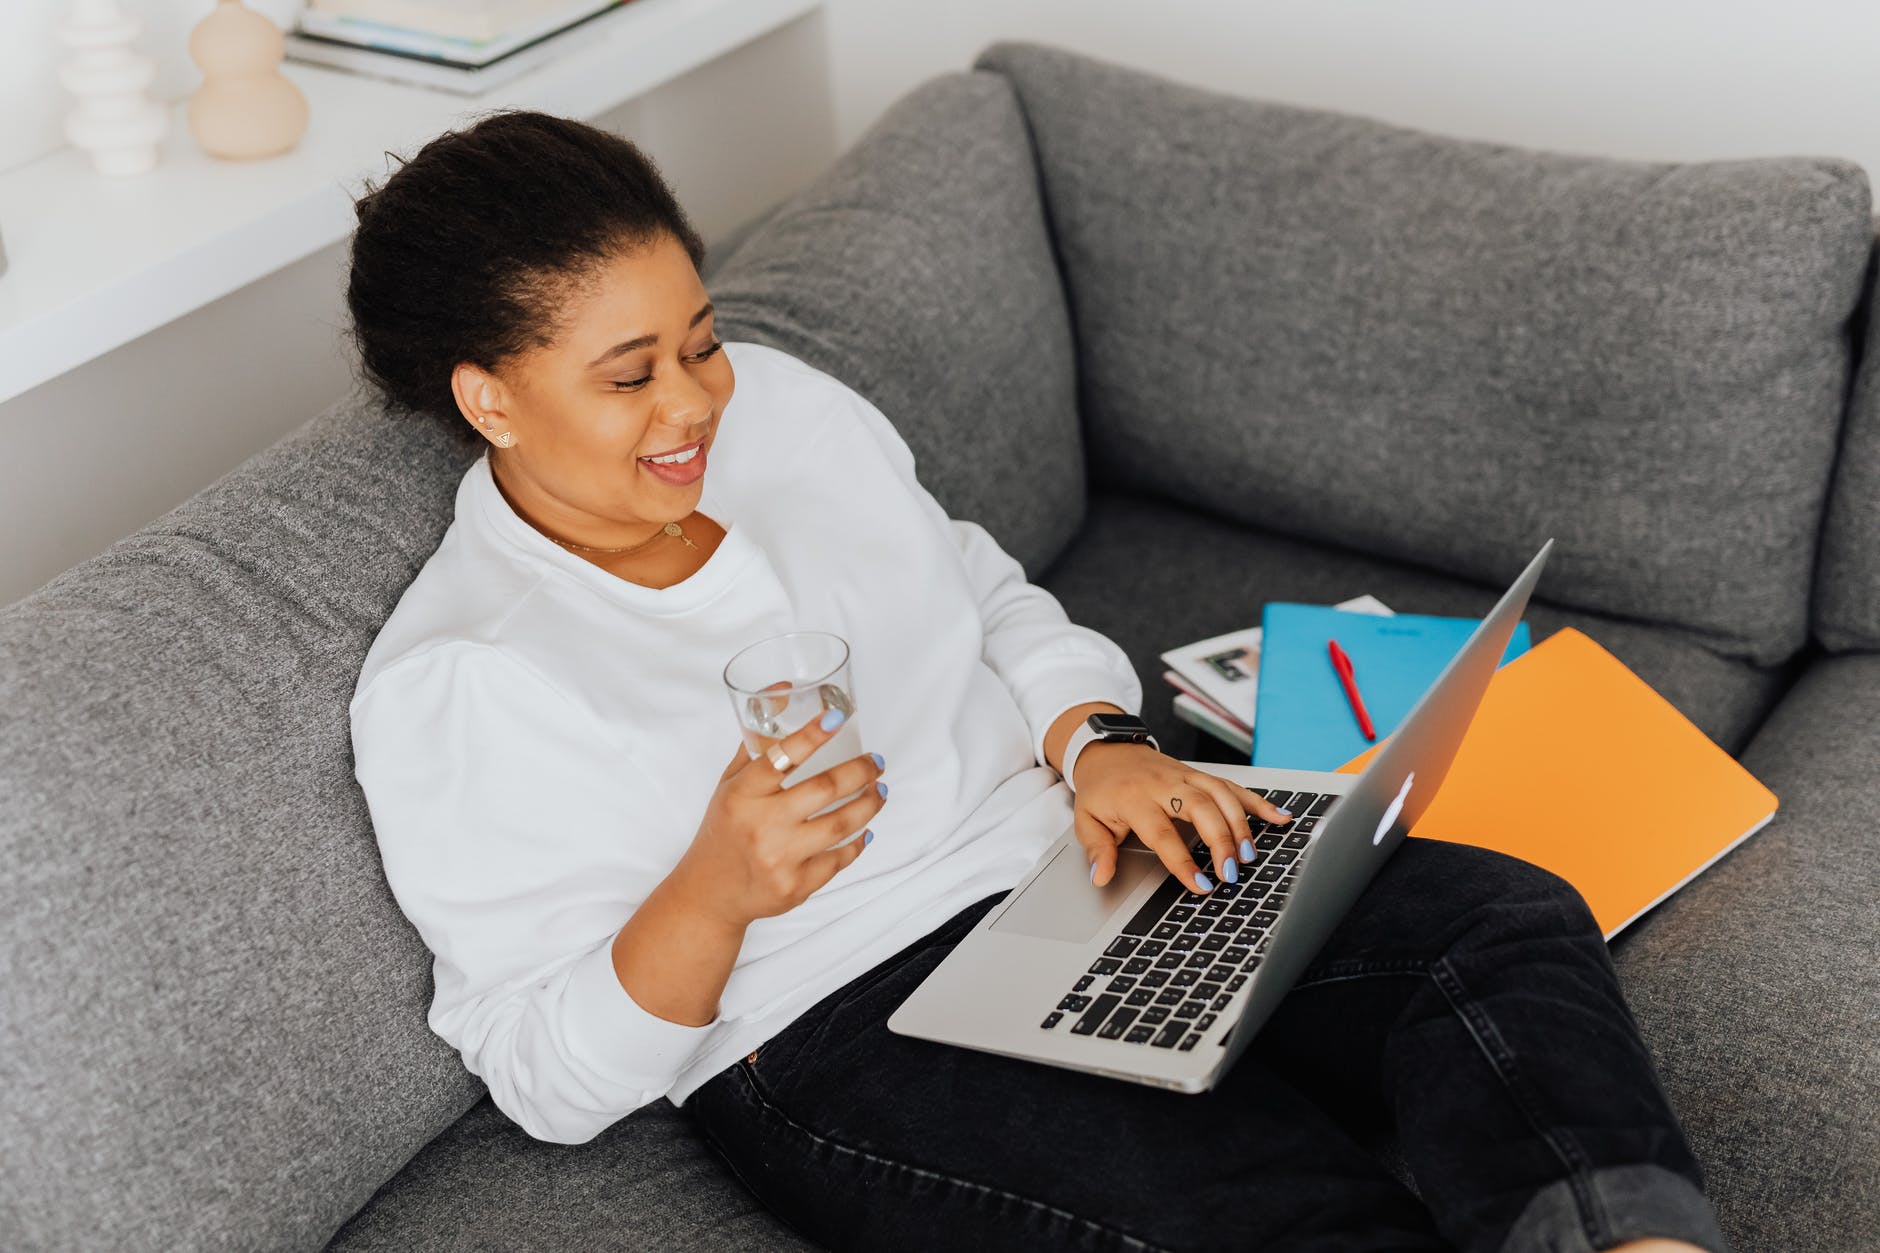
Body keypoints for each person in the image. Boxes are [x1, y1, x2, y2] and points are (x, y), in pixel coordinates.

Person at [343, 109, 1728, 1253]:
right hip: (835, 1030)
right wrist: (715, 889)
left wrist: (1098, 739)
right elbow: (547, 1079)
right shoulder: (457, 677)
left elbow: (982, 585)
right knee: (1263, 1205)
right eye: (629, 376)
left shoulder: (790, 413)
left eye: (699, 340)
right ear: (491, 399)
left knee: (1493, 925)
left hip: (1062, 868)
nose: (697, 402)